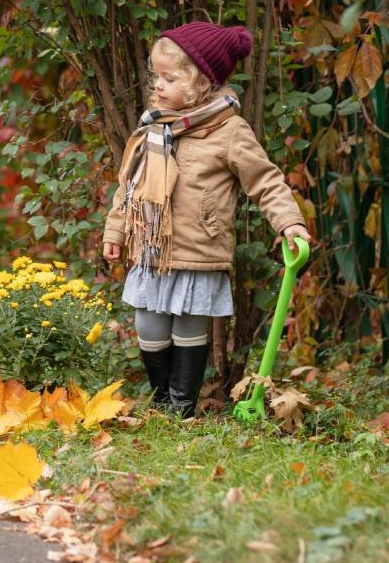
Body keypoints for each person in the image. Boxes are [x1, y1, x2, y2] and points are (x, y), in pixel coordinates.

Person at [103, 22, 312, 417]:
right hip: (152, 250)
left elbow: (265, 180)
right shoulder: (155, 127)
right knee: (148, 326)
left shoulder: (230, 132)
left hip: (200, 250)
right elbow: (129, 186)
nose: (158, 85)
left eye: (169, 77)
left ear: (201, 83)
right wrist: (116, 230)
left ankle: (180, 410)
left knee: (187, 332)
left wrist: (289, 223)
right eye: (156, 76)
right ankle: (163, 400)